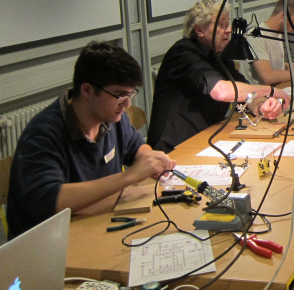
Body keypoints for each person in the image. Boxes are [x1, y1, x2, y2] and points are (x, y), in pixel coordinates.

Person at [6, 41, 177, 239]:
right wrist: (129, 177)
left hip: (97, 226)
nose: (127, 104)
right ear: (87, 90)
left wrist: (151, 159)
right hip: (48, 244)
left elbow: (137, 147)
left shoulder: (112, 118)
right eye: (119, 95)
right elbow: (50, 200)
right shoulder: (42, 134)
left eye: (130, 94)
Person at [148, 0, 287, 153]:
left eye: (228, 24)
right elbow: (221, 91)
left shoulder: (219, 55)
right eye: (221, 25)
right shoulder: (182, 53)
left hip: (206, 139)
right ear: (199, 30)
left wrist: (261, 106)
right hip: (173, 148)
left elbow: (243, 91)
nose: (228, 30)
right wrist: (270, 90)